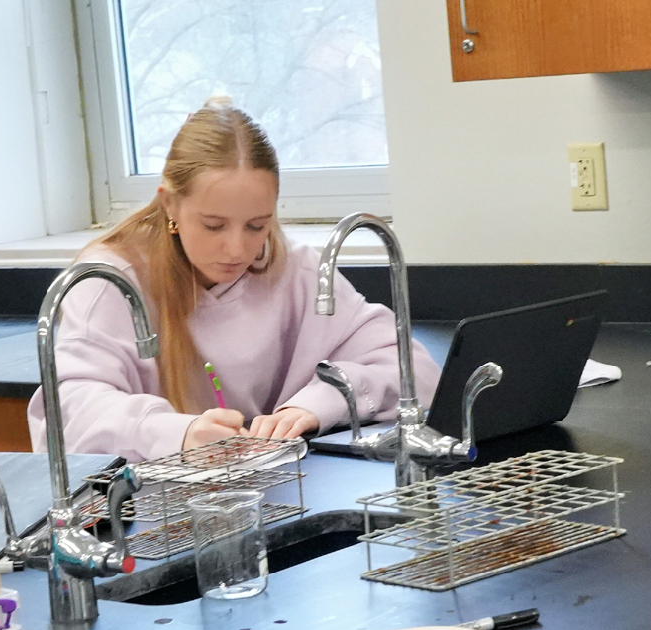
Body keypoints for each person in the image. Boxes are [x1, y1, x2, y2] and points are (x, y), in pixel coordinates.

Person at [26, 96, 440, 462]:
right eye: (213, 225)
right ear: (169, 204)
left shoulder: (296, 270)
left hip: (274, 495)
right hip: (151, 513)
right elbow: (69, 413)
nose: (238, 250)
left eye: (257, 225)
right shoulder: (111, 282)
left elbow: (414, 372)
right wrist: (178, 434)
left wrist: (321, 404)